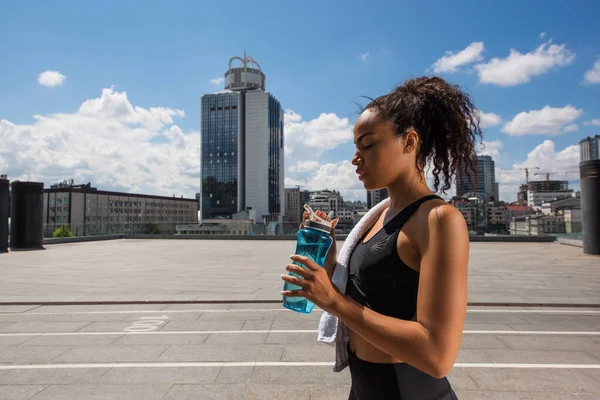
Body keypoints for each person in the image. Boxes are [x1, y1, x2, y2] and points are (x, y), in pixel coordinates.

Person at [281, 76, 480, 399]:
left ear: (410, 142)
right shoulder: (377, 218)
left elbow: (437, 355)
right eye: (356, 147)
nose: (355, 158)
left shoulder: (438, 220)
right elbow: (365, 292)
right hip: (363, 389)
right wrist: (328, 255)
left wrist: (334, 303)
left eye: (368, 144)